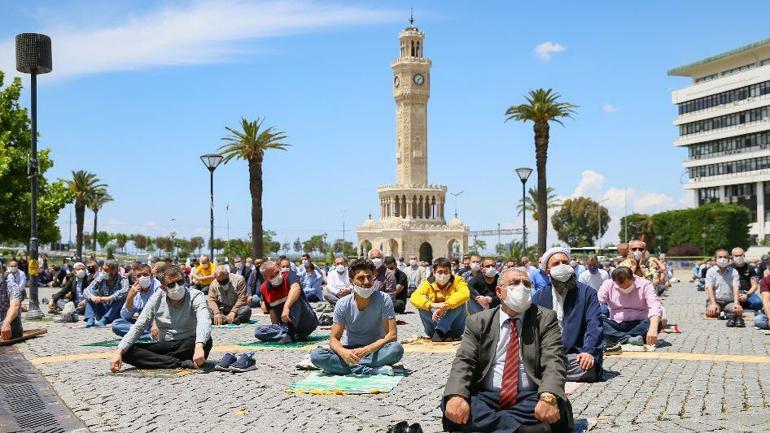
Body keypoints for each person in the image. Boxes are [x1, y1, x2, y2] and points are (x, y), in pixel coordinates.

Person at [442, 267, 574, 433]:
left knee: (553, 407)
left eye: (526, 284)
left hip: (530, 397)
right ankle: (522, 430)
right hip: (487, 396)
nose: (522, 287)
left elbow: (554, 360)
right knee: (454, 404)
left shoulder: (545, 318)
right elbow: (464, 361)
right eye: (514, 283)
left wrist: (548, 397)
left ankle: (487, 426)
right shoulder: (478, 321)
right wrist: (457, 397)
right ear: (499, 291)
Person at [310, 259, 404, 375]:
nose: (366, 282)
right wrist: (343, 352)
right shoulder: (343, 304)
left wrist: (367, 350)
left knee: (396, 349)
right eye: (361, 278)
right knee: (316, 355)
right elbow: (334, 339)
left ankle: (350, 367)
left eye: (369, 277)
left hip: (376, 349)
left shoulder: (384, 299)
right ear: (351, 281)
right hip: (351, 350)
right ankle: (373, 370)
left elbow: (392, 335)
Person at [109, 267, 212, 371]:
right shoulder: (156, 298)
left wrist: (199, 346)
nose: (177, 287)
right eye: (171, 285)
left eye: (180, 282)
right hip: (166, 344)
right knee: (126, 352)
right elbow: (139, 326)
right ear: (163, 288)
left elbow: (204, 319)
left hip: (189, 343)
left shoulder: (196, 295)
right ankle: (179, 363)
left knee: (205, 341)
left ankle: (161, 361)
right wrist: (118, 352)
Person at [533, 249, 604, 382]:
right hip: (548, 354)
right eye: (556, 264)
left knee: (587, 367)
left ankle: (547, 373)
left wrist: (589, 352)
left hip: (576, 355)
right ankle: (549, 370)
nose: (561, 266)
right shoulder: (539, 296)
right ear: (547, 271)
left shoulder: (587, 293)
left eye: (564, 262)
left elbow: (594, 325)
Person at [255, 259, 318, 343]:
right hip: (285, 326)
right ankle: (294, 335)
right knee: (259, 331)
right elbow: (272, 311)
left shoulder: (289, 275)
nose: (276, 276)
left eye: (277, 272)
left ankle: (292, 334)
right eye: (272, 276)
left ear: (278, 268)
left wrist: (286, 307)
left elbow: (296, 288)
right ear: (265, 278)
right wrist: (276, 327)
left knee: (294, 298)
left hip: (305, 320)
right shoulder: (264, 288)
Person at [598, 267, 662, 346]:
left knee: (656, 323)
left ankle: (615, 338)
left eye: (627, 286)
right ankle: (627, 339)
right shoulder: (608, 284)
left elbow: (654, 306)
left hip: (639, 324)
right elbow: (596, 302)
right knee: (596, 320)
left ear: (633, 278)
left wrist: (653, 329)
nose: (624, 289)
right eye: (620, 287)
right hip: (616, 324)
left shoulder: (645, 284)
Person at [410, 257, 470, 341]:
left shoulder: (458, 280)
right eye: (440, 272)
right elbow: (414, 297)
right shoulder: (428, 282)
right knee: (422, 303)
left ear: (450, 272)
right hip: (433, 330)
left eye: (446, 272)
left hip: (455, 329)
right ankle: (444, 331)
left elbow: (465, 294)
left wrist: (445, 306)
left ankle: (441, 330)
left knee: (460, 302)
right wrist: (432, 305)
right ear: (434, 273)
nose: (443, 275)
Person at [112, 264, 160, 338]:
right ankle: (147, 336)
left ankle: (138, 336)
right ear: (135, 278)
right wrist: (130, 297)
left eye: (145, 274)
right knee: (116, 324)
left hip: (156, 324)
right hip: (143, 325)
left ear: (151, 275)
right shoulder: (135, 290)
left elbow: (161, 311)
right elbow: (125, 317)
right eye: (139, 276)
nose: (142, 277)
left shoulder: (158, 287)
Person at [704, 249, 744, 327]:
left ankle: (725, 314)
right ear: (715, 259)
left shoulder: (734, 272)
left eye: (725, 257)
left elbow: (736, 288)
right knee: (712, 313)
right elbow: (709, 288)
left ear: (729, 259)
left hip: (729, 301)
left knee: (738, 311)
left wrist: (736, 303)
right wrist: (713, 303)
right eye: (720, 257)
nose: (723, 259)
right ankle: (726, 314)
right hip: (716, 301)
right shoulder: (710, 271)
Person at [83, 260, 129, 327]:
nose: (103, 272)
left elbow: (124, 290)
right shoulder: (100, 278)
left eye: (106, 270)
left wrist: (109, 298)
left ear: (114, 271)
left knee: (120, 298)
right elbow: (87, 290)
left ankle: (105, 320)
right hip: (102, 309)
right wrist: (93, 297)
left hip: (115, 313)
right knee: (91, 293)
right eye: (103, 269)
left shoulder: (123, 279)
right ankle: (90, 319)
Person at [731, 247, 762, 311]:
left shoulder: (750, 268)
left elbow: (755, 285)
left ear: (744, 255)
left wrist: (747, 295)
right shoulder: (729, 268)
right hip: (733, 293)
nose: (738, 257)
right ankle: (743, 305)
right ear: (732, 257)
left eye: (740, 255)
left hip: (748, 292)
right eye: (736, 256)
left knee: (758, 303)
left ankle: (744, 304)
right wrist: (737, 294)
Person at [0, 264, 23, 342]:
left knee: (13, 323)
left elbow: (15, 306)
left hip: (9, 321)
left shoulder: (12, 286)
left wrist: (6, 323)